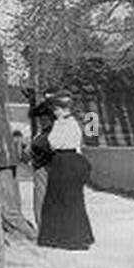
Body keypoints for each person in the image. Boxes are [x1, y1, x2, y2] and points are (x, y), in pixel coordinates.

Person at [37, 94, 95, 250]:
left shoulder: (61, 124)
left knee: (56, 200)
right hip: (73, 161)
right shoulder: (74, 124)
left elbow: (53, 143)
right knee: (74, 201)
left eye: (56, 109)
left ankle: (60, 238)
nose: (54, 112)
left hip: (62, 163)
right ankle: (78, 238)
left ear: (64, 110)